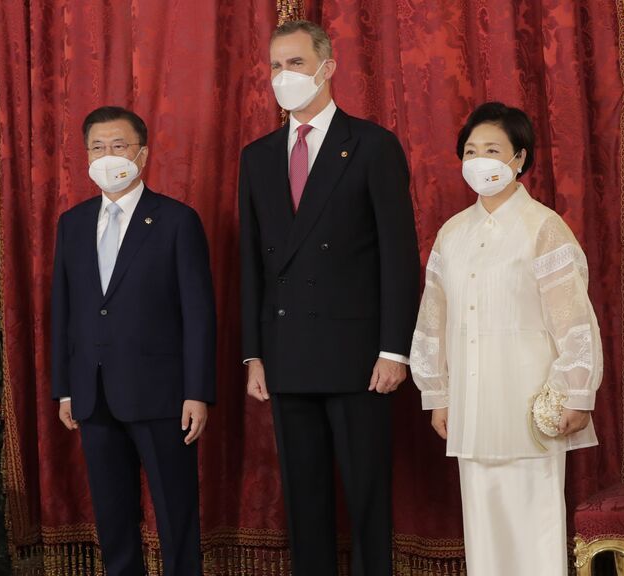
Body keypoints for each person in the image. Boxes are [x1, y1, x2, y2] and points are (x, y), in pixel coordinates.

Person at [238, 20, 419, 576]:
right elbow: (251, 263)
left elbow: (398, 254)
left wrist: (395, 349)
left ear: (327, 67)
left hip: (359, 357)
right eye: (275, 66)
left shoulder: (371, 145)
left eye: (294, 63)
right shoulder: (258, 155)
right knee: (303, 500)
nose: (283, 76)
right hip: (287, 353)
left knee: (367, 498)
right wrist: (253, 353)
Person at [410, 101, 603, 576]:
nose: (479, 160)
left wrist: (577, 393)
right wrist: (438, 394)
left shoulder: (543, 228)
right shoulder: (452, 234)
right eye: (470, 150)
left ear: (519, 158)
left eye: (492, 149)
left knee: (532, 524)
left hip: (529, 405)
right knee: (483, 526)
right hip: (471, 407)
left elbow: (574, 319)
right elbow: (433, 320)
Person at [51, 106, 216, 576]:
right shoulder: (73, 223)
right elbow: (64, 310)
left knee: (175, 514)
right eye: (98, 147)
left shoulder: (177, 220)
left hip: (163, 395)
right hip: (93, 393)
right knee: (113, 518)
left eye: (118, 146)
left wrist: (197, 392)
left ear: (141, 154)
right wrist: (65, 386)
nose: (108, 156)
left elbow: (199, 315)